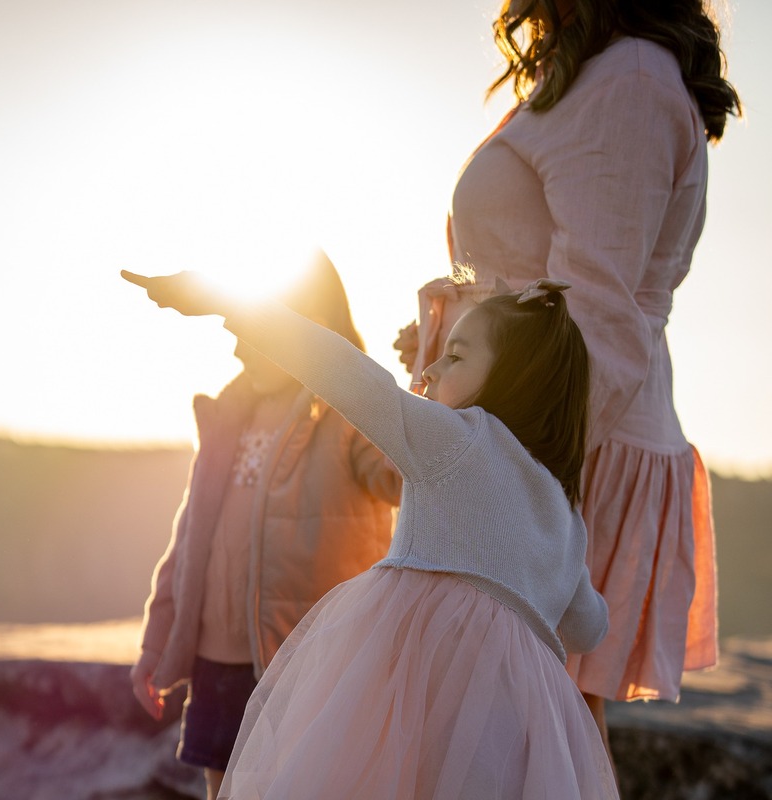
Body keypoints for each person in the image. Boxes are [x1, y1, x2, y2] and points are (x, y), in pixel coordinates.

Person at [122, 267, 619, 800]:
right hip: (509, 726)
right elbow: (587, 628)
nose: (428, 369)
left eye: (453, 355)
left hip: (410, 701)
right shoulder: (564, 510)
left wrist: (229, 300)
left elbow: (344, 374)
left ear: (516, 377)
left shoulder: (453, 441)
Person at [397, 0, 742, 762]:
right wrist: (453, 335)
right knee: (518, 725)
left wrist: (516, 473)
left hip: (572, 446)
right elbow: (536, 288)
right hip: (538, 437)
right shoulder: (594, 72)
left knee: (535, 724)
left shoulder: (633, 81)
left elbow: (598, 311)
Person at [127, 252, 401, 800]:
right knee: (222, 790)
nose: (233, 345)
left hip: (305, 665)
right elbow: (189, 542)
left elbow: (402, 473)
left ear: (298, 329)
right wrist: (157, 644)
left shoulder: (349, 413)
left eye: (247, 329)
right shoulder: (229, 414)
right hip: (215, 665)